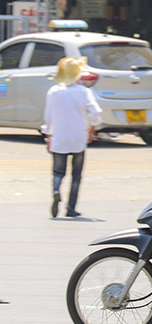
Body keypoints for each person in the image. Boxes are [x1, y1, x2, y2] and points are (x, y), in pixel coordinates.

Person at [42, 57, 102, 218]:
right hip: (78, 138)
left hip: (59, 137)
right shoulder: (84, 91)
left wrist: (48, 136)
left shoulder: (54, 91)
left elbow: (48, 118)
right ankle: (71, 208)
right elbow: (96, 114)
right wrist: (92, 129)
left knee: (57, 172)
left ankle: (56, 190)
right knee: (76, 175)